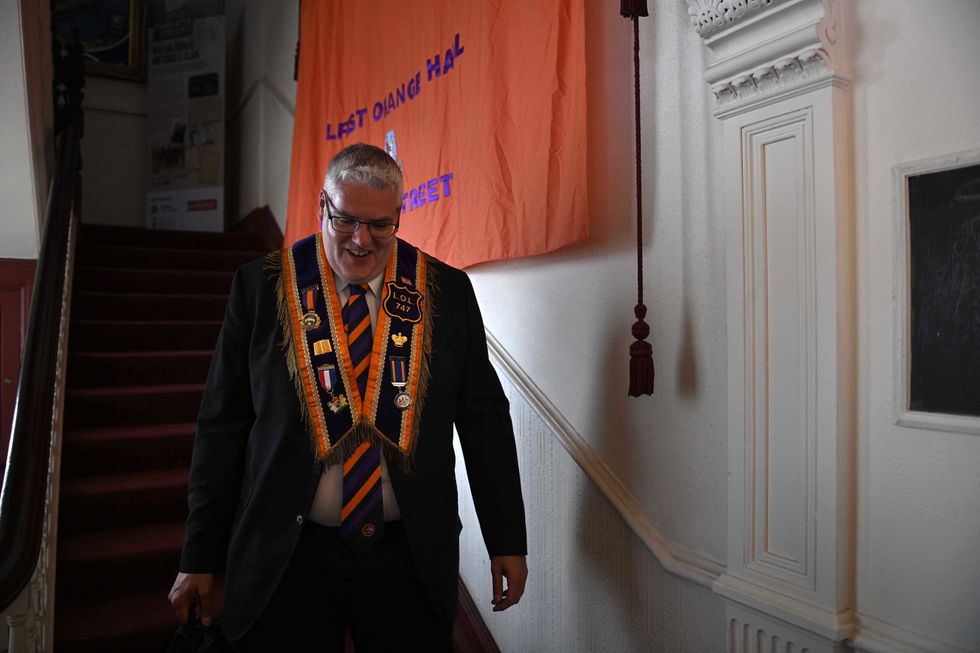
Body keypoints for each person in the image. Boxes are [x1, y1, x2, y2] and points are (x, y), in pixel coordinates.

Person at [169, 143, 528, 652]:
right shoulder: (261, 288)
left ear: (400, 216)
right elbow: (222, 427)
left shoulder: (446, 292)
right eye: (346, 220)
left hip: (407, 551)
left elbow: (484, 420)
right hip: (289, 549)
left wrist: (507, 539)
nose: (362, 240)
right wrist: (199, 554)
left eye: (381, 225)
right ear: (322, 207)